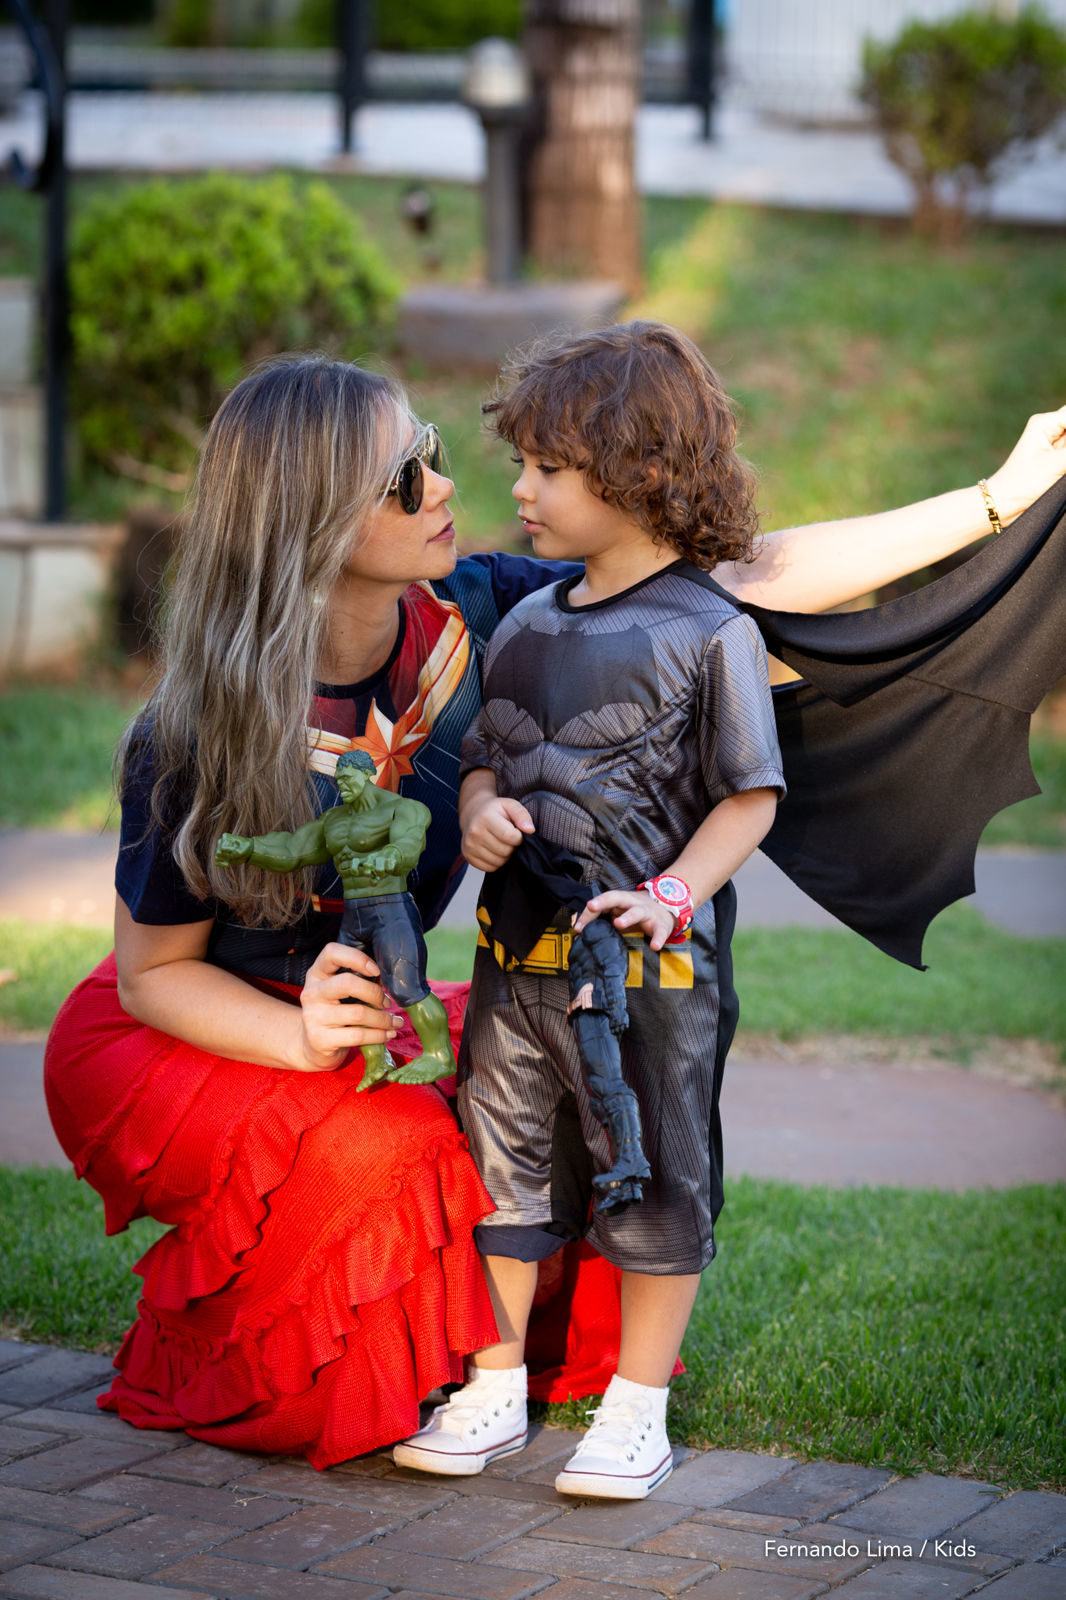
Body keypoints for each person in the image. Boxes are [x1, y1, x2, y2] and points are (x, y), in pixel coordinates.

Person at [42, 351, 1066, 1473]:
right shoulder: (191, 729)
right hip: (176, 1034)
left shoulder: (476, 618)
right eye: (405, 477)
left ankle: (520, 1372)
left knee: (556, 1108)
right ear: (312, 519)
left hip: (356, 1019)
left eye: (432, 454)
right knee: (406, 1153)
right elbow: (150, 976)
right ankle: (284, 1361)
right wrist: (293, 1035)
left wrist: (993, 499)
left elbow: (737, 577)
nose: (445, 488)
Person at [390, 322, 1066, 1500]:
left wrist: (671, 892)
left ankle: (635, 1409)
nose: (518, 490)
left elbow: (751, 790)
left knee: (657, 1170)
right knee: (500, 1168)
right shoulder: (520, 619)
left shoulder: (713, 630)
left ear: (637, 474)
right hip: (515, 966)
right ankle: (494, 1384)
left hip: (653, 975)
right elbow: (492, 759)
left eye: (547, 467)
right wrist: (482, 811)